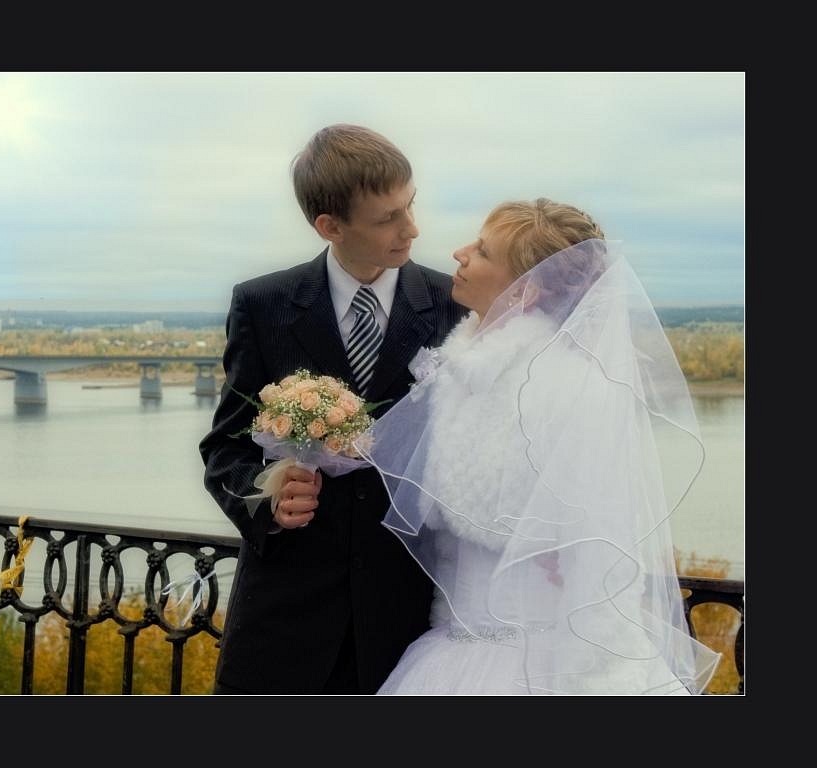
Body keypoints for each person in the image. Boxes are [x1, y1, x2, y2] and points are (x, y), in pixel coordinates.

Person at [357, 199, 722, 694]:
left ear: (525, 290)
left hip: (546, 663)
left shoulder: (571, 388)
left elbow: (604, 549)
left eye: (482, 251)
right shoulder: (457, 376)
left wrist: (597, 674)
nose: (459, 253)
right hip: (453, 643)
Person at [199, 124, 467, 694]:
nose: (411, 228)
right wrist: (267, 499)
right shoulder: (263, 304)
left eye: (410, 205)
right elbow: (226, 448)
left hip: (408, 614)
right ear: (330, 226)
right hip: (285, 618)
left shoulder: (454, 304)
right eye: (388, 218)